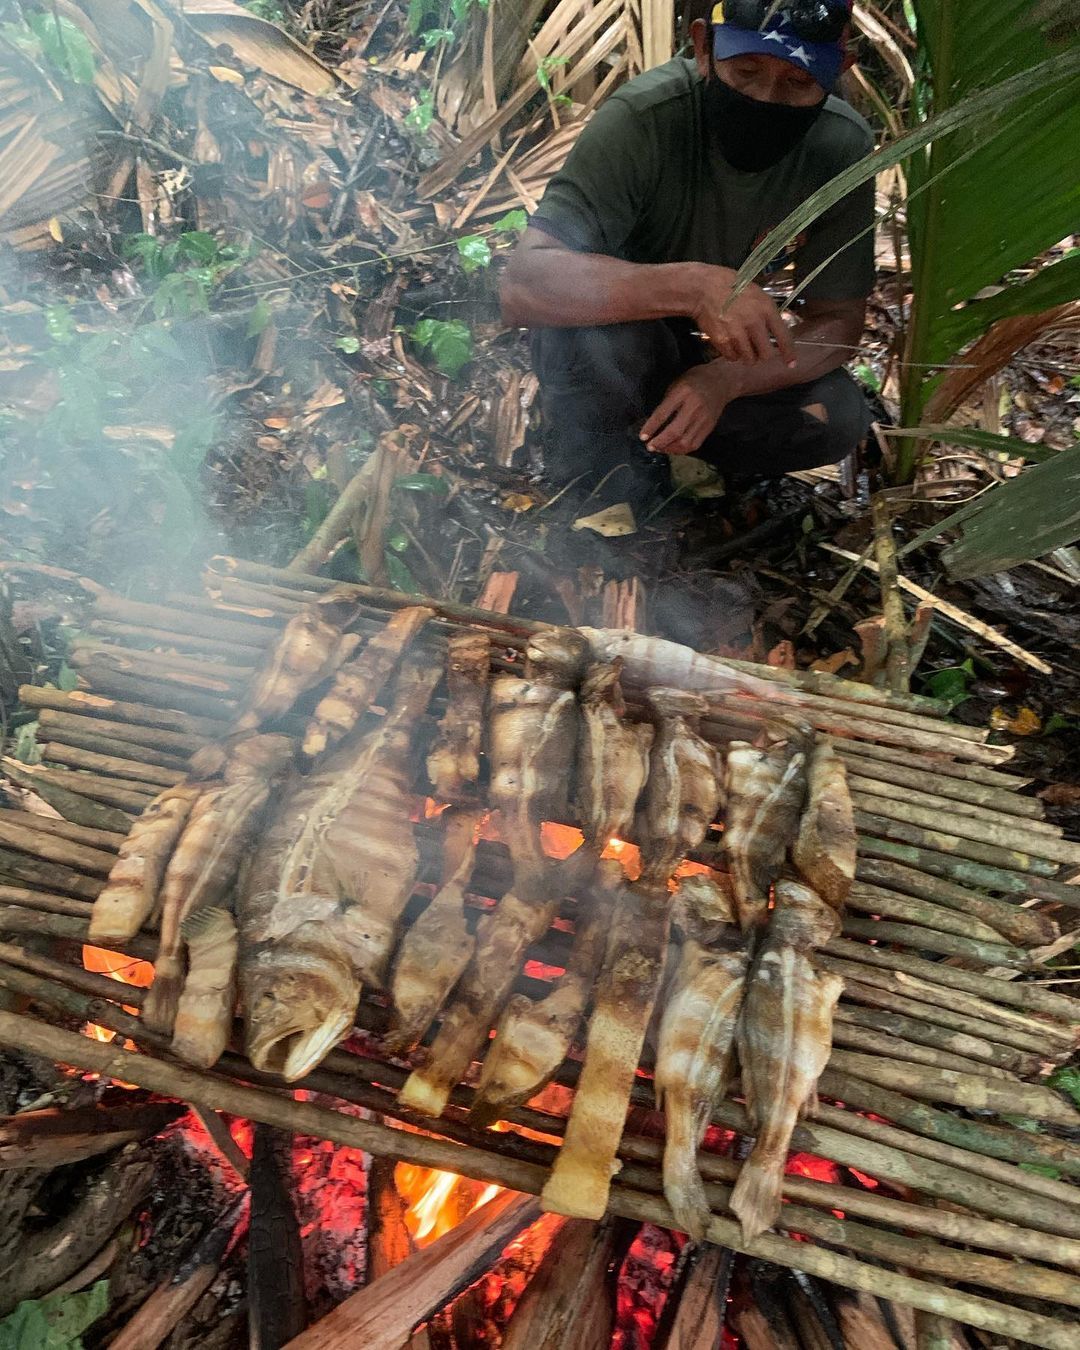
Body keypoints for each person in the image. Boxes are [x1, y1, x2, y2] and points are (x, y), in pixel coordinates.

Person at [500, 1, 876, 512]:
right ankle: (596, 471)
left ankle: (678, 451)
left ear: (839, 71)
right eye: (745, 72)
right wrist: (696, 288)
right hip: (615, 332)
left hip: (711, 355)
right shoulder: (645, 119)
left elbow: (838, 323)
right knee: (607, 346)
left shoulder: (839, 147)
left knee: (833, 415)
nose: (765, 99)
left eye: (798, 82)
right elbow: (524, 284)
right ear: (703, 47)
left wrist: (726, 380)